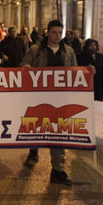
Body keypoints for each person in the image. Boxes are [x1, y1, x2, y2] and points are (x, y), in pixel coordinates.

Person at [21, 19, 77, 186]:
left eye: (60, 33)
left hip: (60, 99)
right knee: (36, 126)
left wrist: (88, 73)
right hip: (38, 98)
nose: (57, 36)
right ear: (48, 32)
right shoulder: (36, 50)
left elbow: (75, 72)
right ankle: (33, 149)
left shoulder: (68, 52)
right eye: (54, 32)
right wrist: (25, 68)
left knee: (58, 132)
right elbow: (23, 67)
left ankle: (58, 170)